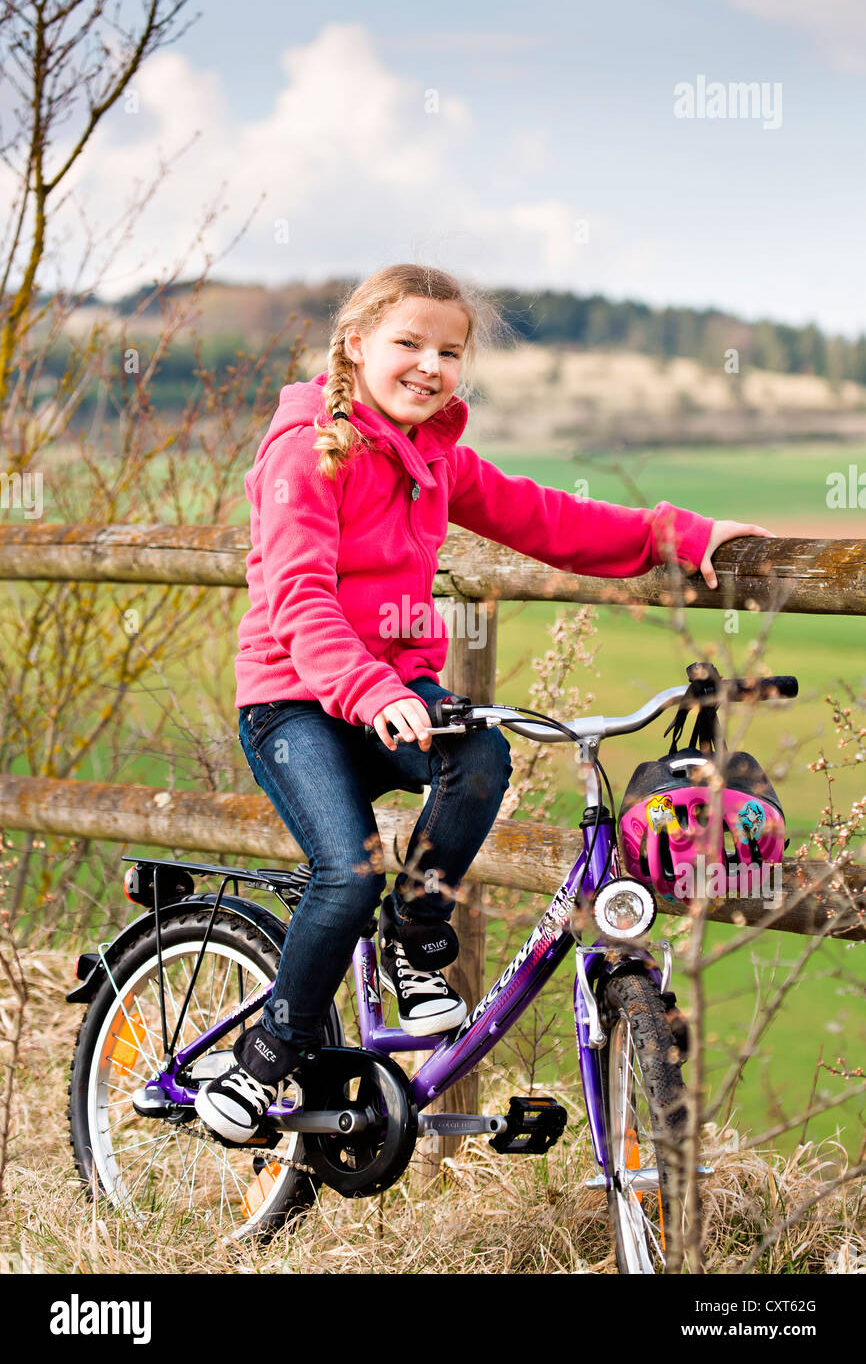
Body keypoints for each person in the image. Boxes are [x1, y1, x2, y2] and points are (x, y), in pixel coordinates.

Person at [195, 263, 773, 1144]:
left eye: (449, 351)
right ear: (355, 345)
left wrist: (684, 535)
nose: (430, 365)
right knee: (344, 877)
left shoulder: (437, 460)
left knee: (482, 757)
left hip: (396, 695)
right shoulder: (304, 449)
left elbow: (555, 522)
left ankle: (417, 929)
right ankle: (270, 1048)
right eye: (409, 344)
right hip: (297, 699)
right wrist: (371, 688)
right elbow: (299, 598)